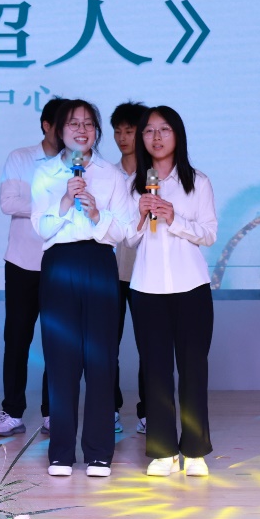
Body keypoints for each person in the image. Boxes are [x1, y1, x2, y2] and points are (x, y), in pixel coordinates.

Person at [31, 99, 135, 478]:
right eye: (74, 123)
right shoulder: (45, 172)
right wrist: (64, 200)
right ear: (60, 130)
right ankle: (61, 452)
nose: (81, 129)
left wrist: (95, 213)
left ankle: (98, 452)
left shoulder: (111, 175)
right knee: (61, 360)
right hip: (59, 264)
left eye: (89, 124)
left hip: (99, 262)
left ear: (96, 132)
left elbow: (125, 231)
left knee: (101, 358)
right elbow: (40, 227)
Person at [127, 105, 218, 478]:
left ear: (177, 135)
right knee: (155, 371)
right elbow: (126, 238)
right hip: (146, 289)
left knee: (193, 369)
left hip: (190, 287)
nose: (157, 137)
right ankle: (163, 451)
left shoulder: (197, 182)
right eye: (149, 131)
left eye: (164, 129)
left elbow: (209, 234)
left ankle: (194, 450)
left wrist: (173, 218)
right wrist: (140, 214)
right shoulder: (133, 184)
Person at [0, 96, 65, 438]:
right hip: (22, 261)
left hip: (59, 260)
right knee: (17, 339)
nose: (70, 131)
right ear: (46, 126)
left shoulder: (77, 163)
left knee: (57, 341)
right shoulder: (20, 158)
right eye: (63, 124)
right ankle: (12, 412)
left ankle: (53, 411)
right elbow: (9, 203)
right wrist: (54, 203)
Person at [109, 100, 149, 436]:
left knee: (149, 344)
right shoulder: (106, 175)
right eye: (118, 131)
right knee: (108, 344)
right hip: (110, 271)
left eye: (130, 131)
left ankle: (149, 411)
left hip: (147, 271)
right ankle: (110, 409)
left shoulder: (154, 176)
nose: (123, 137)